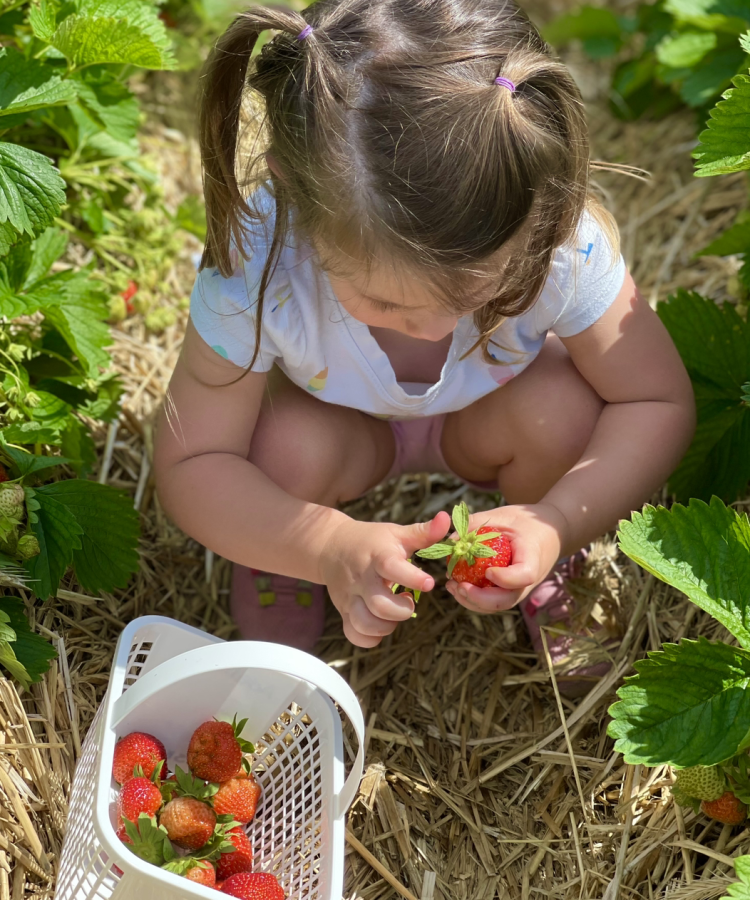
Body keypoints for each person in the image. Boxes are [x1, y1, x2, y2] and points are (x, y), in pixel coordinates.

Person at [153, 0, 695, 667]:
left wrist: (557, 520)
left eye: (477, 293)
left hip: (492, 418)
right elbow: (192, 461)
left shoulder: (559, 244)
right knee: (283, 450)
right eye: (382, 298)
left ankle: (546, 559)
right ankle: (281, 552)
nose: (439, 327)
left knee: (562, 415)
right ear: (293, 197)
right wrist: (321, 543)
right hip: (335, 426)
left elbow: (655, 401)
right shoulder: (259, 264)